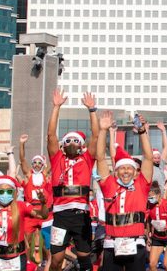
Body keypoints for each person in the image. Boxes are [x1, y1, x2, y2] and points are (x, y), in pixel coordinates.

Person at [47, 90, 101, 271]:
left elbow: (95, 135)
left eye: (75, 140)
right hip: (60, 215)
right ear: (63, 145)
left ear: (81, 146)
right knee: (56, 259)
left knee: (85, 257)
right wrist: (56, 107)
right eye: (67, 140)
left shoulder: (87, 158)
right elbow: (51, 135)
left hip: (81, 215)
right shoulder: (57, 159)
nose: (71, 142)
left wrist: (92, 109)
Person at [95, 111, 153, 271]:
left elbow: (148, 158)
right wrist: (103, 131)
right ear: (116, 171)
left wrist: (142, 131)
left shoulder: (141, 185)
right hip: (111, 244)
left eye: (129, 168)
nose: (126, 171)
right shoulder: (109, 185)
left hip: (136, 244)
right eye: (122, 168)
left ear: (135, 172)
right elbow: (100, 158)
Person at [18, 133, 53, 268]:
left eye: (40, 163)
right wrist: (22, 144)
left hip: (44, 212)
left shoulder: (45, 175)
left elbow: (52, 158)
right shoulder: (28, 175)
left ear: (43, 165)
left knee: (47, 243)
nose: (37, 165)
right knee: (25, 240)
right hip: (31, 212)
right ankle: (27, 263)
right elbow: (22, 160)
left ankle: (47, 263)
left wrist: (49, 143)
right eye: (35, 163)